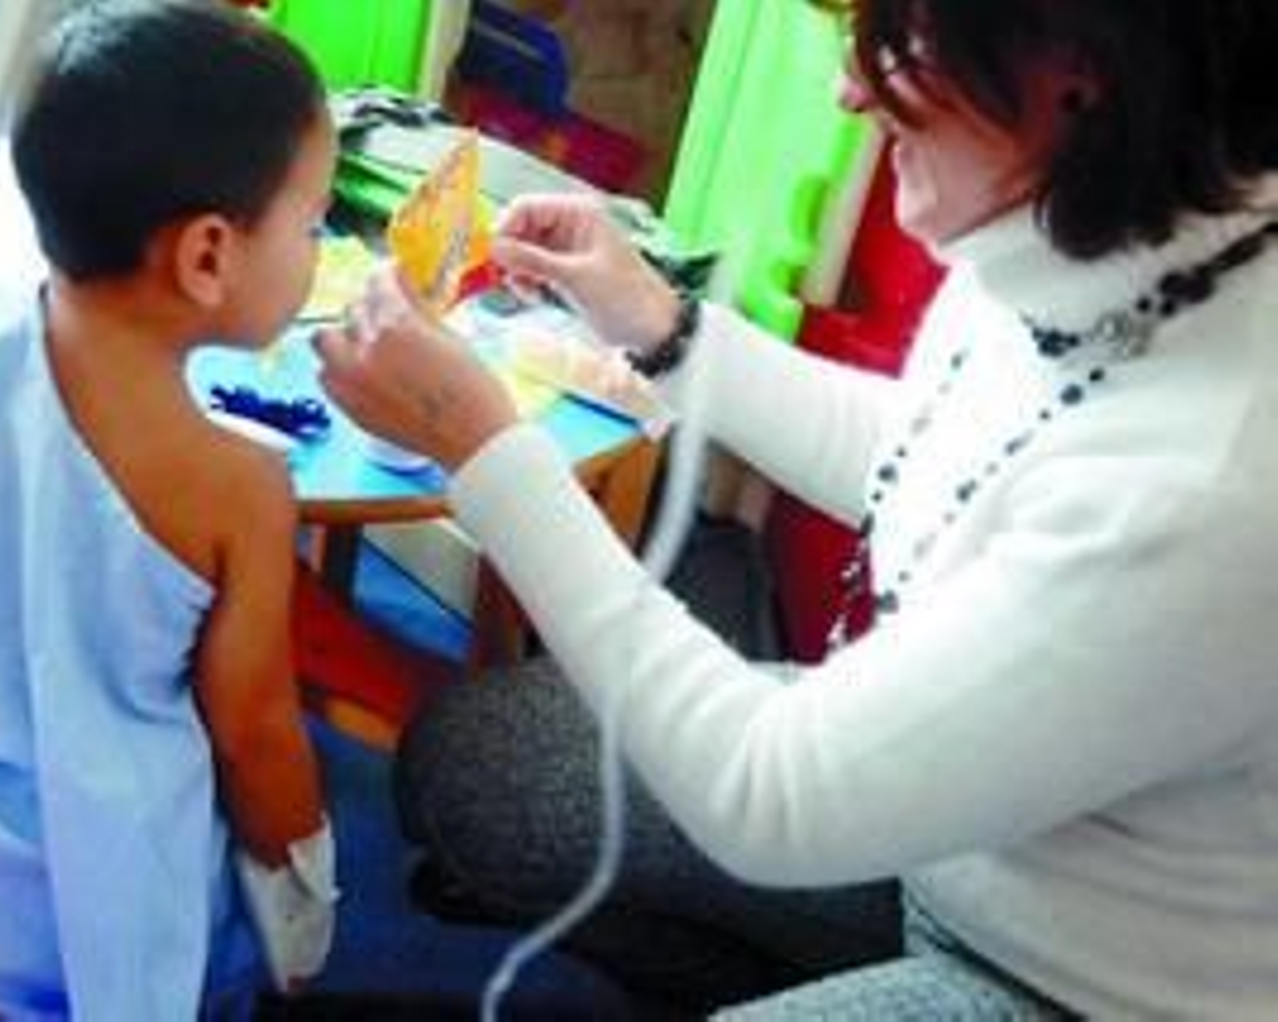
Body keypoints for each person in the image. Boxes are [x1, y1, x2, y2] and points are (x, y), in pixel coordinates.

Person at [314, 0, 1278, 1015]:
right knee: (479, 765)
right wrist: (660, 323)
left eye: (896, 46)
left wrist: (484, 452)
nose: (847, 90)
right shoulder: (1095, 234)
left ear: (1074, 77)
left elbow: (765, 794)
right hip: (940, 834)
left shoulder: (1210, 480)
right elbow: (932, 451)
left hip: (1075, 979)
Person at [0, 1, 339, 1014]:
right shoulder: (236, 484)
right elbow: (257, 734)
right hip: (81, 904)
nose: (318, 250)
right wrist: (304, 901)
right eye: (314, 223)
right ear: (205, 255)